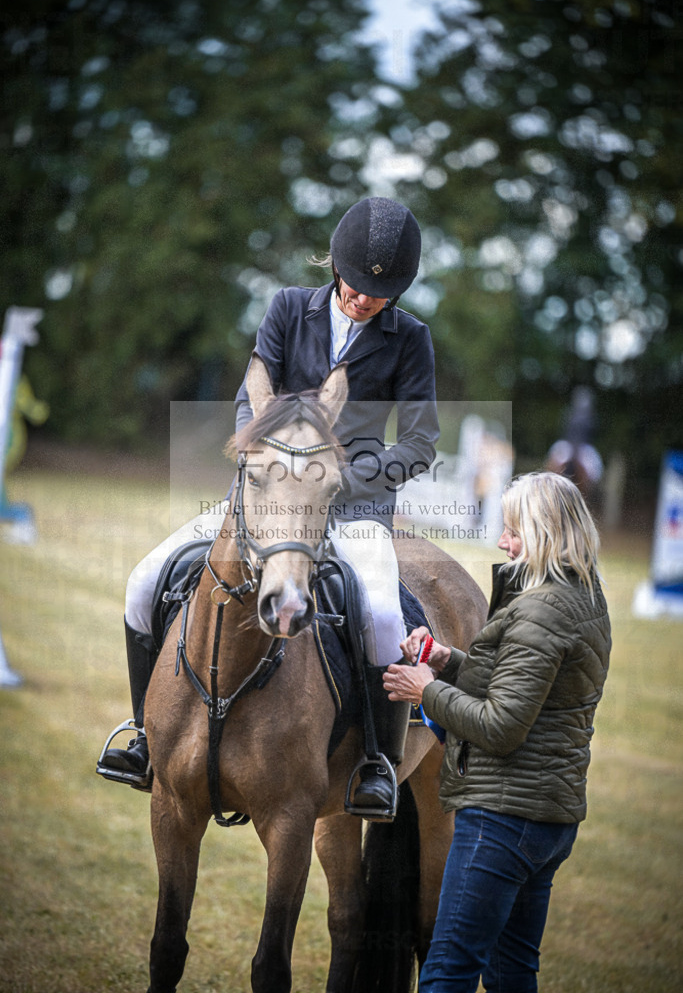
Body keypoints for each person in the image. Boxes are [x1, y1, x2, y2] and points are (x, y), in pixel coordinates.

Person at [98, 196, 440, 816]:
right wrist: (269, 463)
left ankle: (375, 765)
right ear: (336, 266)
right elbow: (246, 401)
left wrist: (337, 473)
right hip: (263, 496)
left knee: (385, 618)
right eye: (357, 285)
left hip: (354, 508)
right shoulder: (287, 308)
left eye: (378, 294)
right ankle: (145, 736)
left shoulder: (411, 339)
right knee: (144, 579)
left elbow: (420, 442)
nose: (364, 299)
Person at [383, 471, 611, 991]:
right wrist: (446, 660)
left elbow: (501, 726)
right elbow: (524, 688)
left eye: (514, 531)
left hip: (503, 822)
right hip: (549, 818)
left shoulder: (539, 612)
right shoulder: (583, 599)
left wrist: (426, 689)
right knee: (511, 973)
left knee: (448, 972)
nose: (502, 542)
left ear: (546, 534)